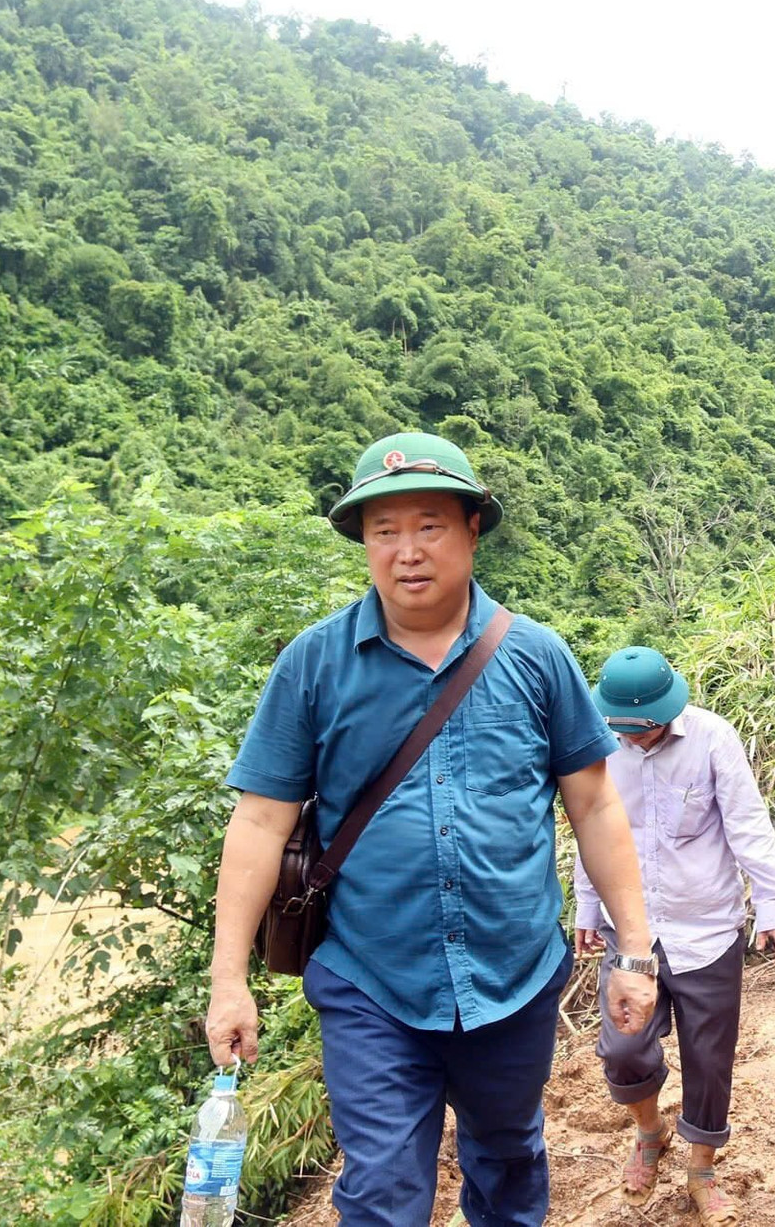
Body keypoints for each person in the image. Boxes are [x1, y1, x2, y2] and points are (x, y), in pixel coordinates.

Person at [205, 431, 658, 1227]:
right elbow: (258, 823)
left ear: (472, 527)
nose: (406, 551)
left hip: (512, 978)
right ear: (363, 541)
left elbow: (594, 805)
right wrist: (227, 979)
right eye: (384, 531)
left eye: (428, 525)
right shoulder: (313, 666)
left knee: (509, 1159)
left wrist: (633, 949)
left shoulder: (536, 657)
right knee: (380, 1192)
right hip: (371, 979)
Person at [574, 646, 775, 1225]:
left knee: (708, 1058)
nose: (636, 742)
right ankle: (650, 1133)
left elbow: (746, 821)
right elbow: (589, 822)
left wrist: (772, 904)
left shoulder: (712, 738)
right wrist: (588, 906)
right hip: (634, 933)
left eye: (644, 731)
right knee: (623, 1047)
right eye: (627, 732)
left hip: (708, 926)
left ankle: (702, 1169)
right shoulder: (599, 746)